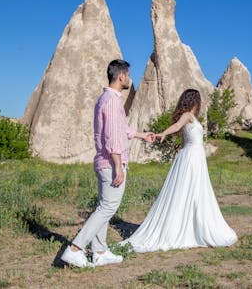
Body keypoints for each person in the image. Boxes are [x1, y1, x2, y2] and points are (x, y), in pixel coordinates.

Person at [61, 59, 155, 267]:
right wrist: (117, 165)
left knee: (104, 206)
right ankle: (75, 248)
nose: (129, 79)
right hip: (111, 162)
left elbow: (120, 130)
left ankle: (100, 251)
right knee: (107, 208)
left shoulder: (105, 99)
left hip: (104, 161)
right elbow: (113, 136)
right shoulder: (112, 101)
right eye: (128, 75)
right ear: (121, 76)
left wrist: (141, 135)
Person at [120, 89, 237, 252]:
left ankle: (193, 226)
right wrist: (163, 134)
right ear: (195, 101)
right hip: (192, 157)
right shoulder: (188, 116)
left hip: (195, 157)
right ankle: (184, 228)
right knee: (187, 190)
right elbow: (176, 126)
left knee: (196, 191)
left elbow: (184, 141)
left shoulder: (193, 118)